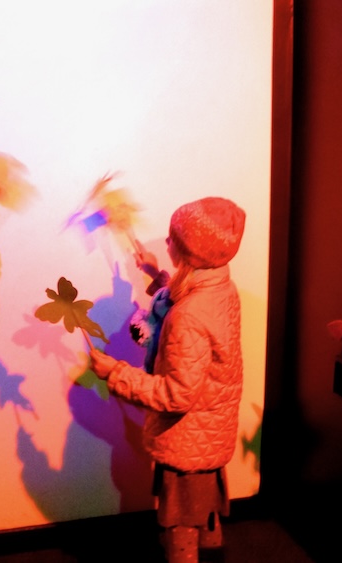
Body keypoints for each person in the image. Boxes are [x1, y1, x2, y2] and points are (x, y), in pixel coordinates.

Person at [90, 197, 246, 563]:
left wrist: (116, 373)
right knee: (203, 512)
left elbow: (176, 395)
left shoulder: (187, 317)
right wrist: (157, 276)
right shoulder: (221, 290)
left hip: (187, 440)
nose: (166, 242)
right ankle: (213, 553)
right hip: (209, 432)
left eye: (174, 239)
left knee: (180, 525)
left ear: (192, 253)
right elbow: (187, 301)